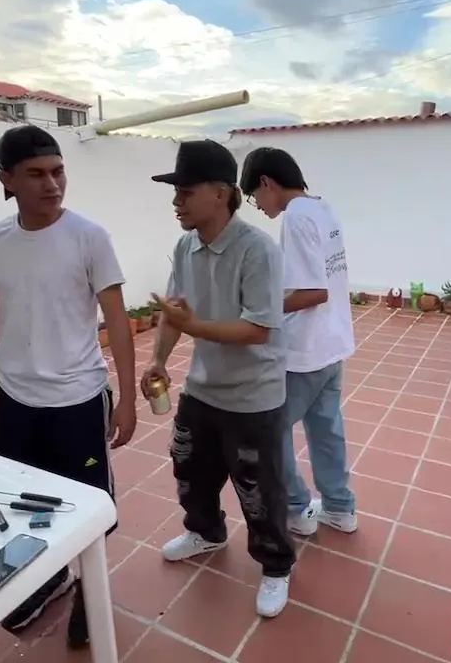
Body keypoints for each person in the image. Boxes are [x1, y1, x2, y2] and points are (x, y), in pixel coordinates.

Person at [0, 125, 136, 648]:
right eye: (36, 174)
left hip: (77, 399)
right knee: (28, 501)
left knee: (89, 506)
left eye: (58, 171)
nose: (52, 184)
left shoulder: (89, 236)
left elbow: (118, 320)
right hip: (15, 399)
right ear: (6, 180)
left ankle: (90, 595)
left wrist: (126, 398)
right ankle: (50, 578)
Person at [142, 139, 296, 618]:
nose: (176, 202)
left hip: (254, 396)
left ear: (221, 193)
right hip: (202, 389)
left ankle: (275, 566)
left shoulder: (258, 250)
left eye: (185, 192)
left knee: (259, 489)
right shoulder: (185, 246)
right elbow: (176, 313)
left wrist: (192, 327)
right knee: (190, 470)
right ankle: (205, 532)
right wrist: (159, 360)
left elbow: (258, 329)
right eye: (175, 192)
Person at [240, 147, 359, 536]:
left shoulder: (295, 217)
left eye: (254, 196)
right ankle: (339, 507)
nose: (258, 206)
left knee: (269, 430)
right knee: (326, 430)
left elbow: (313, 292)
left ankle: (295, 509)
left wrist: (262, 306)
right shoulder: (323, 208)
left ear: (267, 183)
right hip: (332, 344)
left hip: (306, 351)